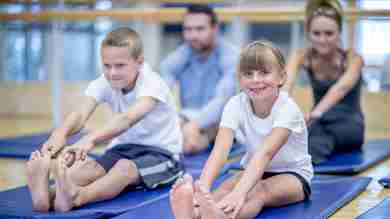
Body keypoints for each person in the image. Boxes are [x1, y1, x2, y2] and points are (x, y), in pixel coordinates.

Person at [26, 27, 184, 212]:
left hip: (162, 154)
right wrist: (59, 134)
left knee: (124, 169)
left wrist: (89, 139)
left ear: (139, 62)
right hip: (123, 148)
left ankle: (78, 197)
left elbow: (127, 119)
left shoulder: (153, 83)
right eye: (107, 66)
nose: (112, 73)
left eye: (120, 65)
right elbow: (80, 114)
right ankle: (46, 195)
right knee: (89, 168)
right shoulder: (105, 82)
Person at [170, 40, 313, 219]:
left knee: (258, 191)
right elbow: (220, 151)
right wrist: (202, 188)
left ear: (281, 77)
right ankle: (194, 213)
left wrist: (240, 194)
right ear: (240, 78)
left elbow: (265, 153)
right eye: (248, 74)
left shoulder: (288, 109)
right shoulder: (236, 104)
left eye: (264, 73)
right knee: (225, 188)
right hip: (254, 169)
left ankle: (223, 217)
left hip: (294, 176)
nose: (255, 80)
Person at [284, 0, 365, 164]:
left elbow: (341, 88)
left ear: (339, 32)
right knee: (293, 137)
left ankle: (299, 170)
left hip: (349, 125)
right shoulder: (301, 56)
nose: (322, 40)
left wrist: (315, 113)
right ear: (308, 33)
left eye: (329, 33)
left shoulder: (353, 59)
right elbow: (286, 84)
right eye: (316, 33)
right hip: (319, 123)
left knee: (316, 139)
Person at [160, 4, 239, 154]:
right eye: (188, 30)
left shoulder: (231, 57)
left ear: (214, 29)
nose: (193, 35)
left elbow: (222, 100)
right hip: (187, 118)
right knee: (180, 136)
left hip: (220, 121)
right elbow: (160, 95)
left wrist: (194, 125)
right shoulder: (177, 57)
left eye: (200, 29)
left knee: (191, 141)